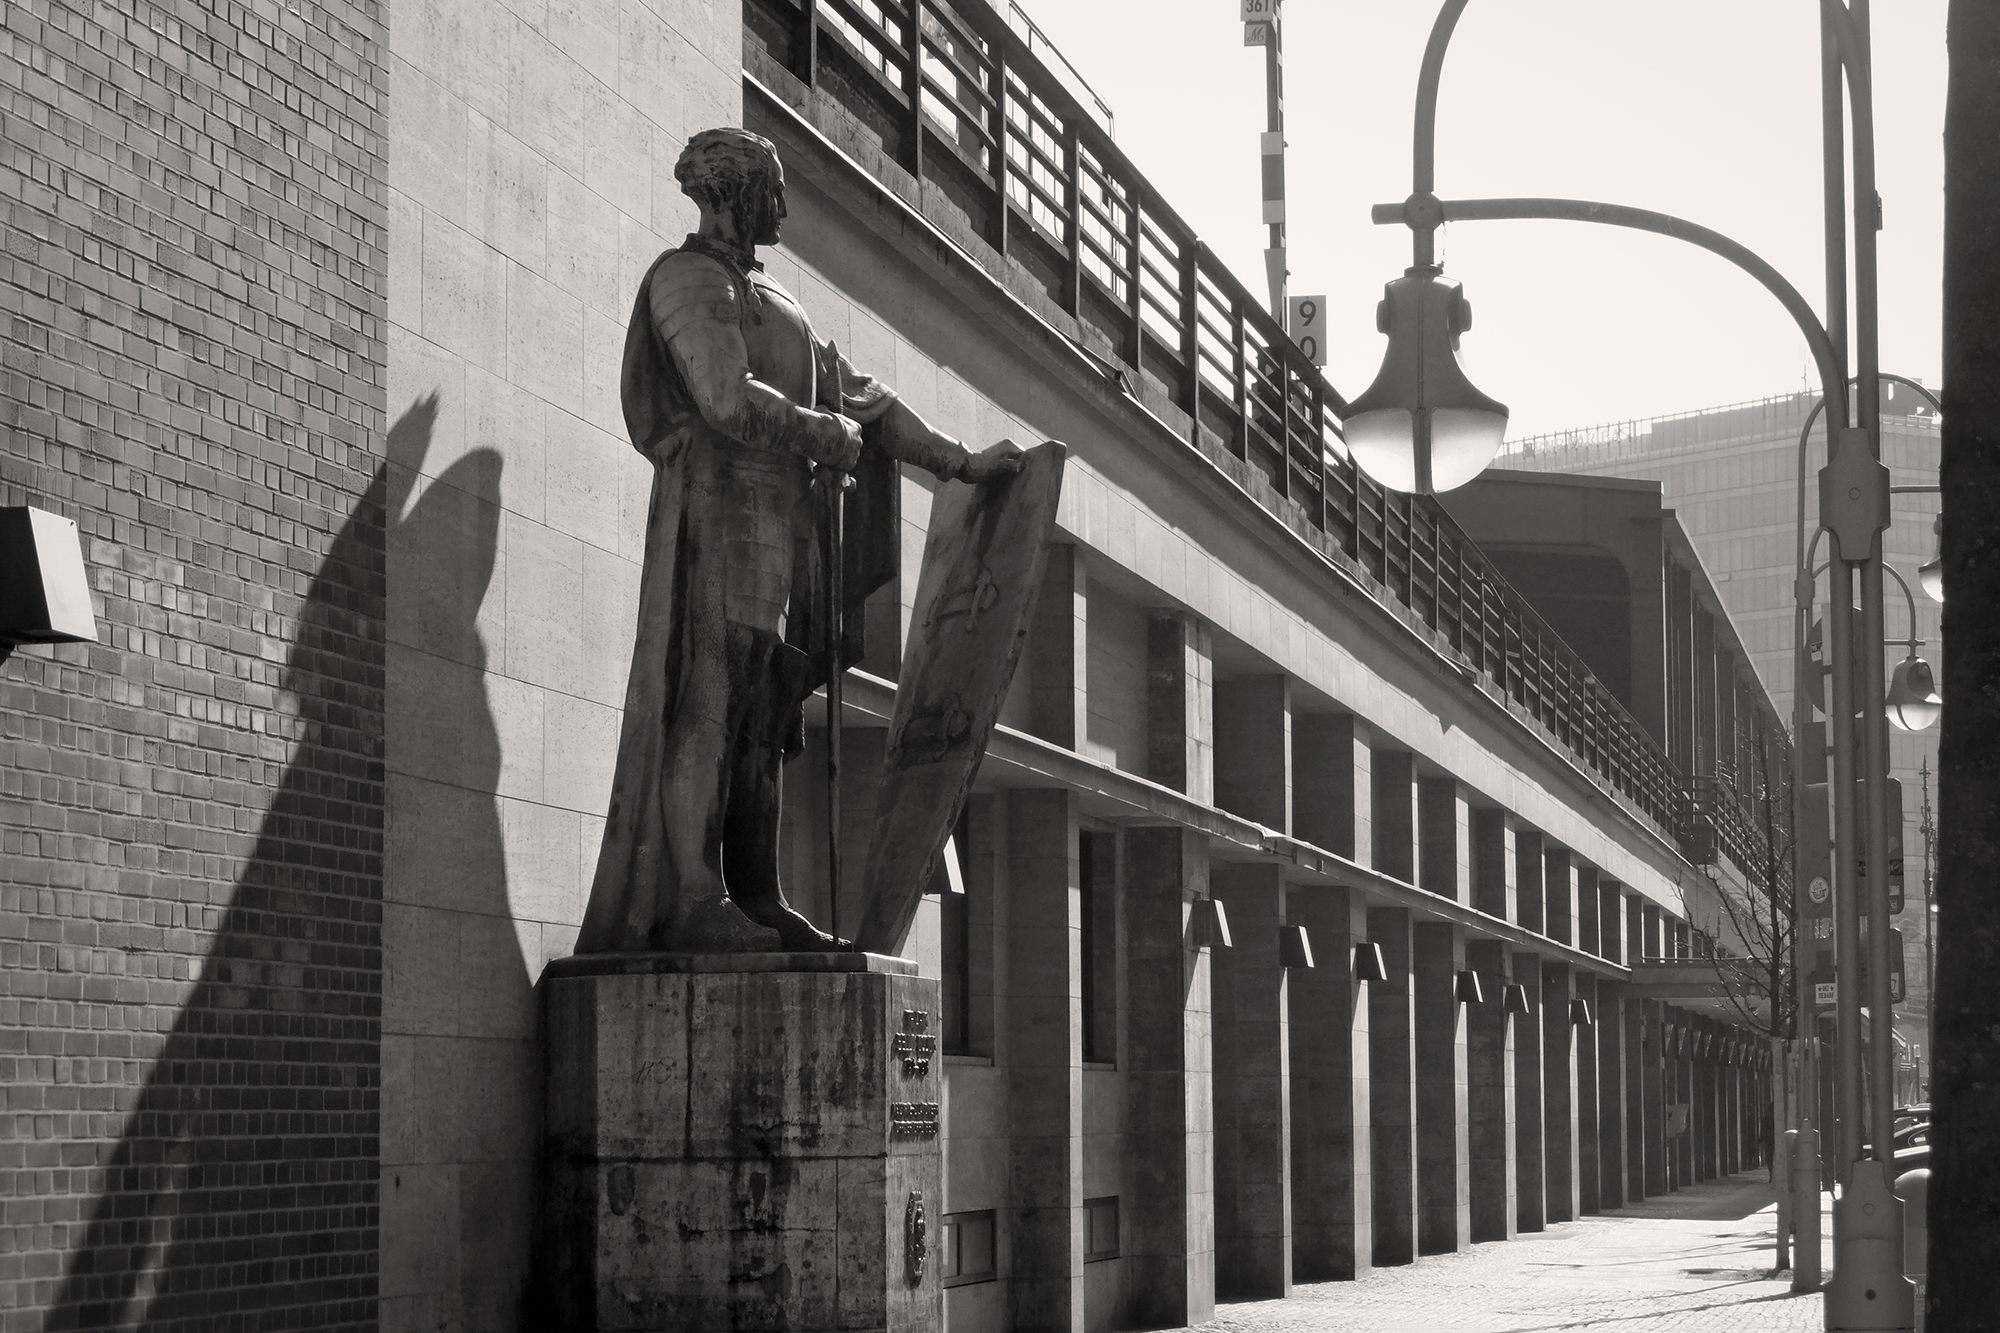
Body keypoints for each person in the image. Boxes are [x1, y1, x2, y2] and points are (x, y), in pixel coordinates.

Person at [576, 128, 1022, 954]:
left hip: (780, 538)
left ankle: (757, 890)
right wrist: (821, 434)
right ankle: (693, 897)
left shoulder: (780, 301)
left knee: (763, 716)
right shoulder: (690, 280)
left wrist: (959, 463)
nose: (782, 205)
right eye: (771, 187)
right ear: (734, 191)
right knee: (708, 700)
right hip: (714, 522)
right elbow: (721, 396)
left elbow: (868, 401)